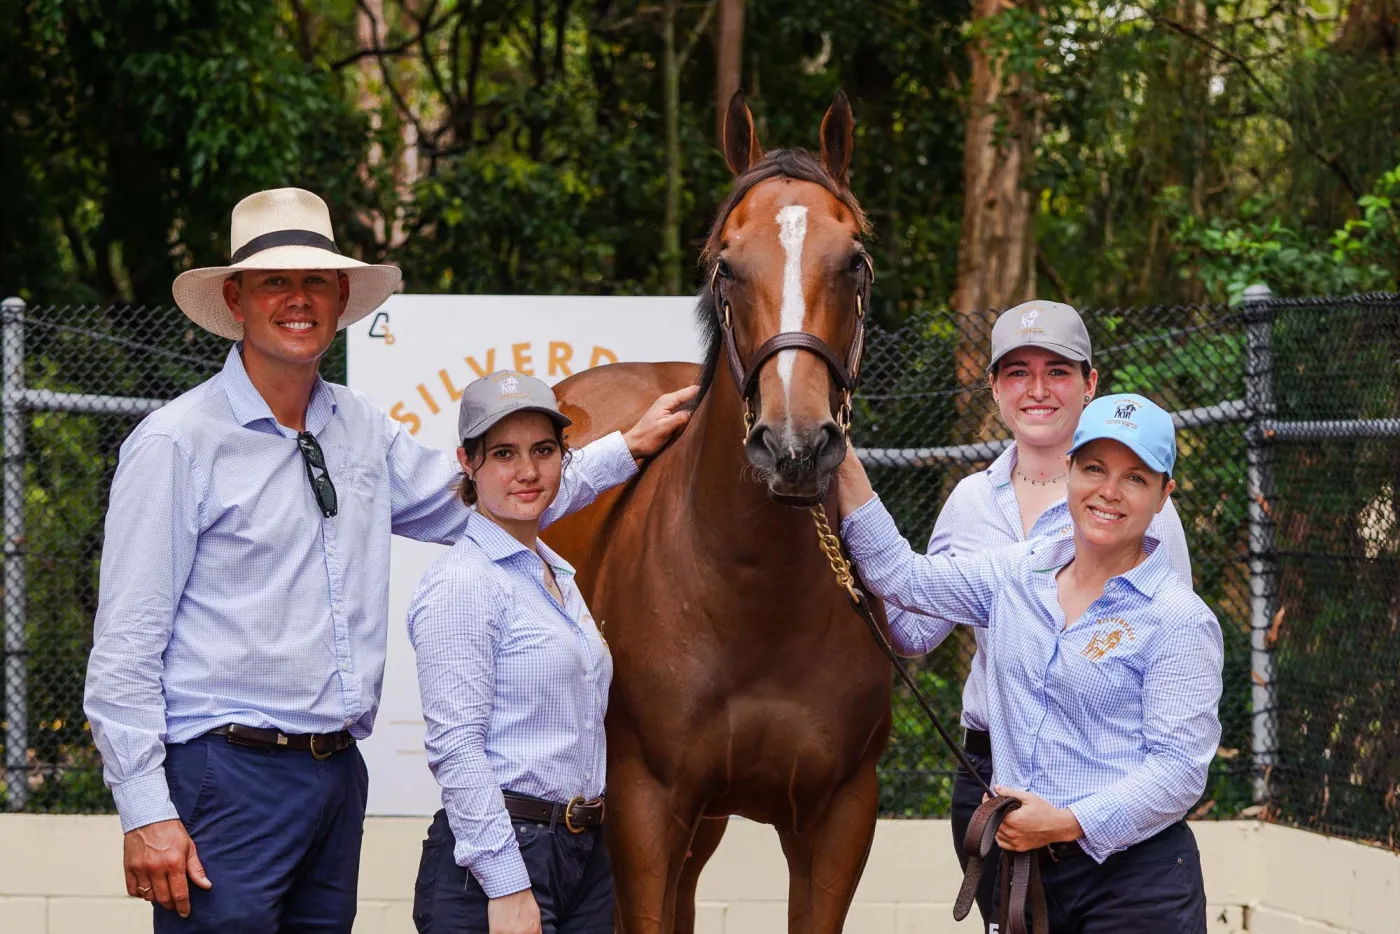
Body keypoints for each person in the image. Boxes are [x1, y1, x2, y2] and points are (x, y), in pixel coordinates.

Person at [83, 188, 695, 933]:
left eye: (316, 280)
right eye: (275, 281)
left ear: (342, 298)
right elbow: (125, 646)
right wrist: (145, 810)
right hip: (226, 773)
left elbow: (484, 499)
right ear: (236, 299)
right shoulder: (176, 443)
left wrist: (623, 450)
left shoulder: (360, 427)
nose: (298, 299)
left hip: (337, 777)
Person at [838, 394, 1222, 933]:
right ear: (1069, 472)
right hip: (1027, 875)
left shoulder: (1180, 619)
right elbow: (907, 580)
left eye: (1135, 478)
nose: (1109, 491)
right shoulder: (1017, 574)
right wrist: (840, 456)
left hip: (1135, 886)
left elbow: (1178, 770)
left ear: (1164, 496)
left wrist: (1066, 822)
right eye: (1094, 468)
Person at [885, 300, 1193, 927]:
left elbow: (1173, 647)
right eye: (1018, 372)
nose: (1038, 389)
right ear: (995, 387)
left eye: (1057, 371)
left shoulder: (1139, 506)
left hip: (1102, 775)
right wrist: (849, 566)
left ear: (1089, 383)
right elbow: (914, 631)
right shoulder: (970, 500)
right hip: (989, 774)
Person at [408, 371, 622, 934]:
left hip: (582, 853)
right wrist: (506, 883)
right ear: (467, 463)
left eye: (543, 451)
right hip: (502, 855)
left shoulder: (554, 575)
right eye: (504, 453)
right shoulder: (464, 582)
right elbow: (456, 746)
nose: (528, 471)